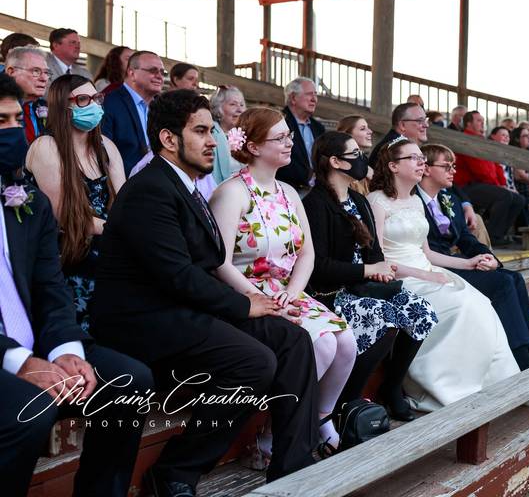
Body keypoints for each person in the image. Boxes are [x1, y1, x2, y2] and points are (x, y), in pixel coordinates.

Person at [91, 90, 321, 495]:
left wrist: (257, 305)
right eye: (200, 131)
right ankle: (175, 472)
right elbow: (176, 275)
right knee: (254, 361)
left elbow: (207, 264)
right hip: (147, 320)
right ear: (168, 139)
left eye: (212, 131)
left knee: (294, 340)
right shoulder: (150, 189)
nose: (213, 140)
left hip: (190, 309)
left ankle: (293, 469)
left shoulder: (186, 186)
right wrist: (245, 304)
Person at [0, 72, 152, 497]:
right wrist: (22, 361)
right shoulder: (46, 150)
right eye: (2, 122)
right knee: (28, 409)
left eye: (16, 120)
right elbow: (70, 222)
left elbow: (48, 286)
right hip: (76, 264)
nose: (12, 131)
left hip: (48, 325)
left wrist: (66, 350)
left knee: (132, 379)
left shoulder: (16, 195)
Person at [209, 107, 355, 458]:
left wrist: (292, 291)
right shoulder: (231, 193)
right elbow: (219, 263)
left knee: (346, 342)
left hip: (287, 291)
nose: (290, 143)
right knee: (321, 345)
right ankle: (273, 431)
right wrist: (260, 299)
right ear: (255, 147)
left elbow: (307, 253)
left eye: (290, 136)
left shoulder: (288, 192)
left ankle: (319, 419)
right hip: (245, 293)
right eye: (281, 138)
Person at [367, 137, 519, 411]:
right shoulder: (376, 202)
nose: (421, 162)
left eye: (421, 158)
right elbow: (379, 259)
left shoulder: (415, 201)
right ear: (392, 166)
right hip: (398, 276)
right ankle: (450, 387)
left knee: (480, 303)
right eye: (413, 158)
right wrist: (426, 277)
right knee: (461, 307)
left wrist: (468, 263)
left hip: (427, 270)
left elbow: (426, 253)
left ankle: (488, 383)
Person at [304, 132, 438, 421]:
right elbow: (319, 266)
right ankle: (347, 399)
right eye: (354, 155)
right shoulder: (315, 203)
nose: (362, 159)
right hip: (333, 292)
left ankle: (392, 386)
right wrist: (367, 270)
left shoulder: (357, 199)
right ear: (336, 162)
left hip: (364, 286)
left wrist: (380, 270)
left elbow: (374, 252)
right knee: (384, 317)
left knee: (421, 311)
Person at [419, 143, 529, 372]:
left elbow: (465, 238)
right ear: (425, 169)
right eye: (446, 166)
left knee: (514, 278)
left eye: (454, 166)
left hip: (457, 261)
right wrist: (470, 263)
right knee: (502, 283)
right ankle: (521, 360)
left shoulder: (449, 199)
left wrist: (489, 257)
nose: (453, 171)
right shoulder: (414, 201)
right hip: (435, 267)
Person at [25, 75, 124, 331]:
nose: (93, 105)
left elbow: (123, 204)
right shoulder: (46, 147)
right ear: (62, 106)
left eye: (96, 98)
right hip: (68, 259)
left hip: (109, 255)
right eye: (83, 100)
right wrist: (122, 228)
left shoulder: (106, 146)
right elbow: (66, 216)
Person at [371, 103, 491, 245]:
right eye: (420, 121)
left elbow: (441, 177)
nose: (426, 125)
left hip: (426, 206)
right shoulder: (391, 151)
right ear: (402, 125)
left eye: (426, 121)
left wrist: (466, 203)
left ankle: (484, 261)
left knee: (474, 222)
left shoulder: (409, 146)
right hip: (409, 218)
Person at [453, 111, 525, 247]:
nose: (482, 123)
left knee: (518, 199)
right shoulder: (466, 140)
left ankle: (500, 234)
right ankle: (493, 236)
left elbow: (496, 165)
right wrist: (499, 186)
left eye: (483, 120)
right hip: (466, 186)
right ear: (468, 123)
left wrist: (502, 184)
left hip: (483, 184)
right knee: (504, 196)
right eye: (479, 121)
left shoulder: (482, 140)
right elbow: (479, 170)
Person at [101, 50, 165, 176]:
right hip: (123, 186)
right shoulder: (108, 103)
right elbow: (102, 153)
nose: (160, 76)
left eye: (162, 72)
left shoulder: (162, 106)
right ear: (132, 73)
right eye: (153, 71)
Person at [277, 77, 325, 193]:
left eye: (315, 94)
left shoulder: (318, 127)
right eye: (309, 94)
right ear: (293, 98)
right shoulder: (279, 123)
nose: (314, 99)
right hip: (287, 190)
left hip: (317, 191)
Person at [4, 45, 49, 143]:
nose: (44, 78)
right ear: (11, 72)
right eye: (36, 71)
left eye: (46, 72)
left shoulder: (47, 107)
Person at [210, 85, 246, 183]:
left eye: (242, 105)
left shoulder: (246, 135)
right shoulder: (210, 135)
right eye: (233, 104)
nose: (240, 110)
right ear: (218, 108)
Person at [337, 115, 374, 194]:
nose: (370, 131)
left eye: (368, 127)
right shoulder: (342, 165)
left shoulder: (364, 162)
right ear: (348, 134)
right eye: (363, 129)